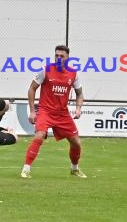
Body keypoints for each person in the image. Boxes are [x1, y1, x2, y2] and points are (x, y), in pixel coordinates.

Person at [20, 45, 86, 179]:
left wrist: (78, 109)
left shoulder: (73, 74)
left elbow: (79, 94)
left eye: (62, 56)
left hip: (62, 113)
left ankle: (74, 169)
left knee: (76, 142)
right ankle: (26, 170)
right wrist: (33, 111)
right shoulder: (45, 70)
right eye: (56, 55)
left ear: (68, 58)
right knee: (39, 135)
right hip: (45, 111)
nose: (59, 58)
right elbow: (32, 89)